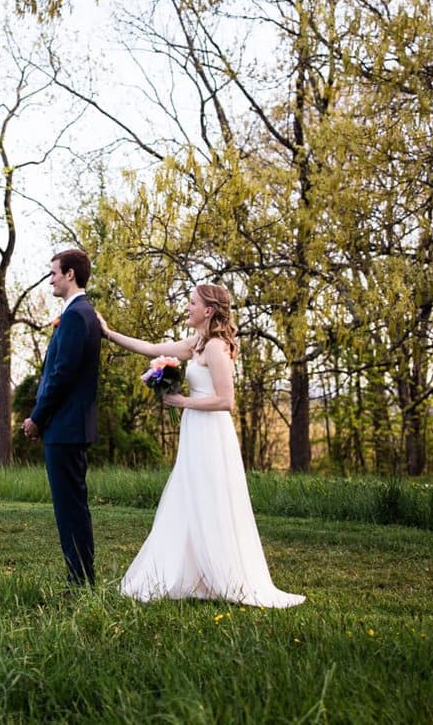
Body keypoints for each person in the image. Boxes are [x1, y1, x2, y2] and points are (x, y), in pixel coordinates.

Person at [99, 284, 304, 607]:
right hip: (195, 429)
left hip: (212, 433)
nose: (187, 307)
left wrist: (182, 402)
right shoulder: (196, 344)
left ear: (208, 311)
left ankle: (223, 575)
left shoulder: (216, 349)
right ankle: (193, 574)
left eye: (193, 303)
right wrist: (108, 333)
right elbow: (152, 348)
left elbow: (226, 401)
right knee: (188, 496)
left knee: (211, 497)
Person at [23, 248, 101, 586]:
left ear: (70, 274)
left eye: (54, 272)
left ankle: (80, 580)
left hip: (65, 427)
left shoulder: (75, 316)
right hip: (71, 426)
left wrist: (37, 418)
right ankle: (81, 576)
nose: (51, 279)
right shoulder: (84, 313)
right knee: (73, 506)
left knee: (69, 508)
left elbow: (61, 374)